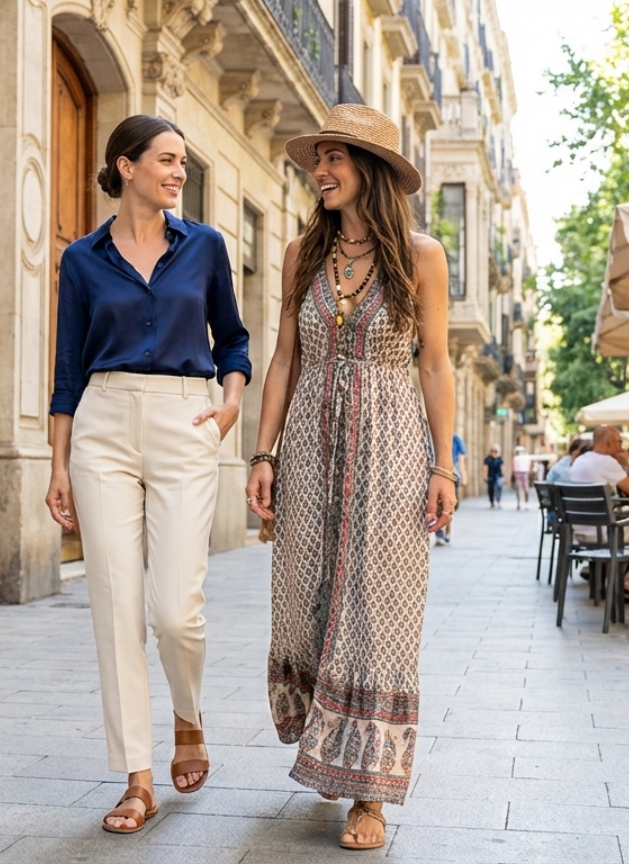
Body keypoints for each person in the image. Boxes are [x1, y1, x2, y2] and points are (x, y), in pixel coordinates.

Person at [246, 103, 456, 851]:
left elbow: (434, 363)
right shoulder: (303, 250)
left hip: (393, 448)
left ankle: (370, 795)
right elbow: (283, 357)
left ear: (370, 171)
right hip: (307, 448)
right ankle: (328, 752)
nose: (320, 171)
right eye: (318, 158)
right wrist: (263, 452)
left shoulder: (422, 257)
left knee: (381, 610)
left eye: (335, 158)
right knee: (305, 599)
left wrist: (444, 464)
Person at [45, 115, 250, 835]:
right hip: (101, 423)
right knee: (114, 608)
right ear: (125, 166)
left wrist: (228, 409)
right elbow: (68, 367)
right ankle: (137, 779)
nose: (178, 173)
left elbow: (234, 339)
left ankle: (188, 715)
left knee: (173, 608)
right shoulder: (81, 259)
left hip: (185, 419)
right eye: (166, 160)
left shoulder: (206, 248)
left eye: (183, 164)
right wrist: (57, 462)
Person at [568, 425, 629, 602]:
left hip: (580, 531)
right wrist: (626, 464)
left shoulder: (580, 460)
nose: (621, 447)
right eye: (619, 442)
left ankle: (614, 586)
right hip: (603, 532)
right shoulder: (606, 462)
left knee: (619, 530)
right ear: (608, 443)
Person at [434, 433, 466, 545]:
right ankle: (440, 533)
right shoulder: (434, 434)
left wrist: (462, 474)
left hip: (453, 475)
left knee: (448, 504)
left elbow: (461, 458)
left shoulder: (456, 438)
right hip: (438, 473)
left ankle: (446, 532)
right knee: (439, 503)